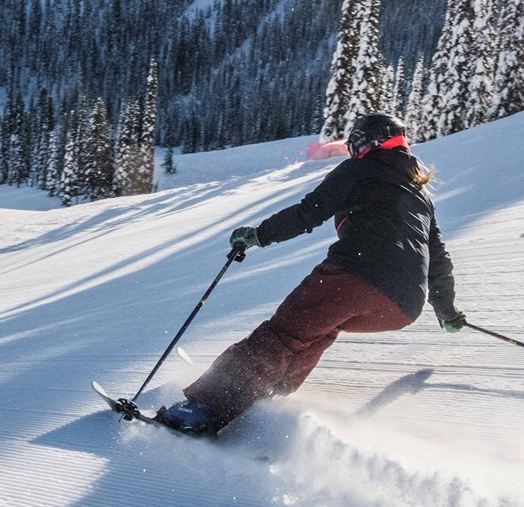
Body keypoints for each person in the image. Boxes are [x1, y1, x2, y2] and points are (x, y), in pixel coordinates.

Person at [158, 111, 464, 434]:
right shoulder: (421, 197)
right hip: (403, 307)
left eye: (357, 144)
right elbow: (439, 260)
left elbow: (309, 212)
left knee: (281, 334)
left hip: (358, 273)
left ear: (372, 143)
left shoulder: (360, 170)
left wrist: (258, 235)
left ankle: (202, 409)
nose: (354, 151)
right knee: (321, 326)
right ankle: (274, 389)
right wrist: (447, 311)